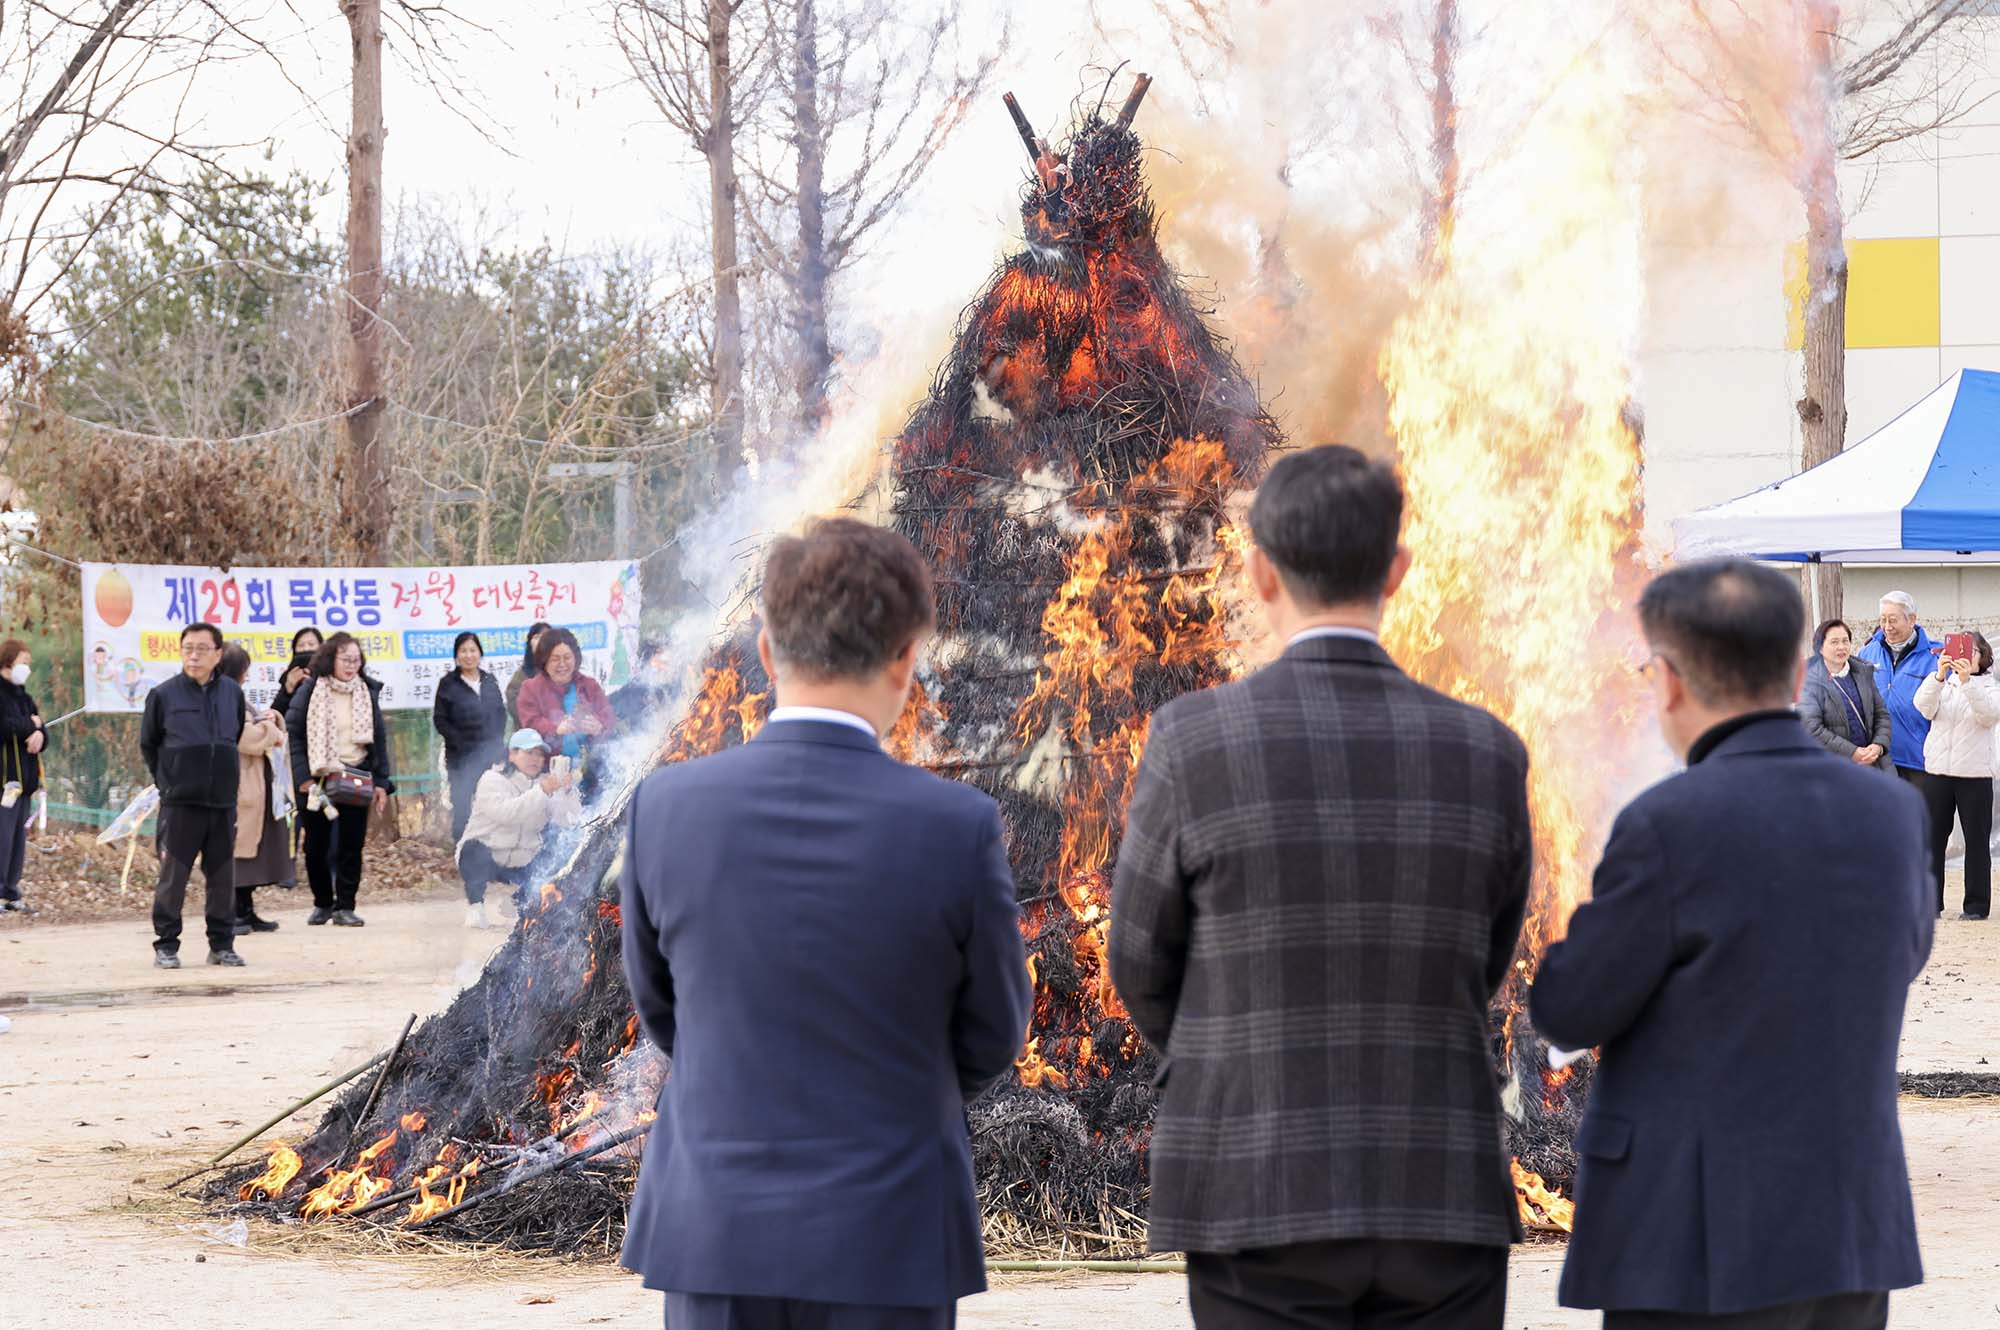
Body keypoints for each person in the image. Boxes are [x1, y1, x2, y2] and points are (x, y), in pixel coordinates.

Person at [1108, 444, 1532, 1330]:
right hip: (1439, 1183)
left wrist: (1236, 1049)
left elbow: (1141, 962)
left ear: (1260, 571)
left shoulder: (1193, 740)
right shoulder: (1487, 751)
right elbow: (1486, 958)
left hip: (1256, 1183)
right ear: (1398, 570)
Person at [619, 517, 1031, 1330]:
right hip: (891, 1228)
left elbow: (664, 1012)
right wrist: (902, 1089)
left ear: (767, 652)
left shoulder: (665, 808)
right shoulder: (957, 825)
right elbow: (992, 1034)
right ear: (906, 657)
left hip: (716, 1227)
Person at [1531, 559, 1930, 1330]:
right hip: (1848, 1226)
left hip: (1699, 1240)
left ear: (1670, 680)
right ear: (1794, 671)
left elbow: (1570, 1008)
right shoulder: (1891, 814)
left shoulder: (1666, 823)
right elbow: (1900, 959)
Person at [138, 623, 247, 968]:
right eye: (188, 648)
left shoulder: (232, 693)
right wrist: (169, 781)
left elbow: (235, 735)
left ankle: (222, 944)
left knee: (222, 877)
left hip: (222, 801)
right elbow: (149, 744)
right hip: (181, 803)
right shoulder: (164, 695)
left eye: (202, 648)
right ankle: (166, 945)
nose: (194, 655)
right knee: (173, 877)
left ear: (218, 654)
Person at [286, 631, 394, 928]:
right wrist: (302, 777)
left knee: (351, 844)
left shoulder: (366, 691)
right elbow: (294, 734)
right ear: (330, 659)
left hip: (356, 774)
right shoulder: (311, 689)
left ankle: (345, 906)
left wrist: (382, 782)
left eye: (356, 660)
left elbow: (379, 739)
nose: (351, 666)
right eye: (345, 659)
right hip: (318, 777)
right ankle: (322, 903)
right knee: (316, 845)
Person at [456, 728, 583, 928]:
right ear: (512, 755)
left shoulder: (545, 782)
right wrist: (542, 792)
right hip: (491, 854)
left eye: (539, 754)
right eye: (529, 753)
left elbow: (567, 820)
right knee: (472, 849)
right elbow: (507, 813)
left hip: (524, 858)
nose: (535, 759)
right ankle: (475, 907)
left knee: (560, 850)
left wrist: (567, 792)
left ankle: (525, 905)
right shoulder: (491, 779)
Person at [1914, 631, 2000, 920]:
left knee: (1976, 841)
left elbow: (1989, 715)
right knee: (1933, 838)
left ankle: (1976, 906)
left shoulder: (1990, 687)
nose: (1963, 656)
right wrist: (1939, 676)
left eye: (1970, 651)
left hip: (1975, 774)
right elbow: (1923, 707)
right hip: (1938, 771)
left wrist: (1967, 682)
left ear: (1983, 657)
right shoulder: (1944, 683)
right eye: (1959, 650)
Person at [217, 644, 293, 933]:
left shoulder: (237, 697)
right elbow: (245, 737)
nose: (247, 676)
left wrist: (271, 719)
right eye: (244, 670)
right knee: (238, 849)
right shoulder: (221, 699)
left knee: (254, 850)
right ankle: (232, 912)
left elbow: (256, 727)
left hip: (257, 784)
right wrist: (271, 728)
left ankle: (246, 909)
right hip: (239, 783)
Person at [516, 627, 615, 794]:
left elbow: (608, 717)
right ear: (544, 660)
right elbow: (530, 723)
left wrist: (599, 726)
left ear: (576, 658)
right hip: (548, 772)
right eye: (555, 659)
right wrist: (555, 729)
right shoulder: (530, 688)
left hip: (590, 770)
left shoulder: (589, 685)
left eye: (567, 657)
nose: (562, 664)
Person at [1856, 591, 1939, 788]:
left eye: (1893, 620)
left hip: (1920, 761)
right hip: (1878, 757)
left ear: (1912, 619)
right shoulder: (1867, 653)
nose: (1887, 626)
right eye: (1883, 620)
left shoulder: (1935, 657)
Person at [432, 631, 508, 844]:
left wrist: (496, 744)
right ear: (456, 656)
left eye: (472, 650)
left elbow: (500, 714)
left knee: (490, 802)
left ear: (480, 654)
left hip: (489, 755)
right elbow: (440, 720)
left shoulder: (489, 680)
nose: (468, 655)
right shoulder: (448, 684)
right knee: (462, 806)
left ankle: (489, 848)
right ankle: (462, 849)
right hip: (461, 758)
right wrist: (461, 744)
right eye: (463, 651)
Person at [1799, 619, 1891, 771]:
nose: (1841, 647)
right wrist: (1852, 752)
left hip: (1874, 764)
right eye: (1834, 642)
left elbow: (1881, 714)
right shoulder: (1809, 681)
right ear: (1820, 647)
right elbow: (1811, 728)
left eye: (1845, 641)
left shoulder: (1863, 673)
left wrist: (1878, 745)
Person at [0, 639, 49, 914]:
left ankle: (11, 891)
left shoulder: (25, 697)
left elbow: (43, 730)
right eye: (24, 663)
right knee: (2, 836)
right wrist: (31, 726)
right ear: (8, 661)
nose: (27, 669)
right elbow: (6, 727)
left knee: (18, 839)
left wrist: (40, 733)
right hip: (4, 781)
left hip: (26, 782)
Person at [611, 638, 672, 730]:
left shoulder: (675, 688)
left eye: (666, 663)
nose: (665, 667)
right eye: (661, 662)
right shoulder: (634, 690)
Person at [505, 620, 553, 727]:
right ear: (530, 643)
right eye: (537, 637)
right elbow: (514, 705)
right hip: (530, 732)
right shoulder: (522, 675)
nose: (541, 640)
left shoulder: (563, 670)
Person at [272, 627, 323, 720]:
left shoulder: (328, 673)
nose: (306, 649)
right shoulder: (289, 675)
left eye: (311, 644)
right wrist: (288, 689)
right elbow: (276, 715)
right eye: (301, 645)